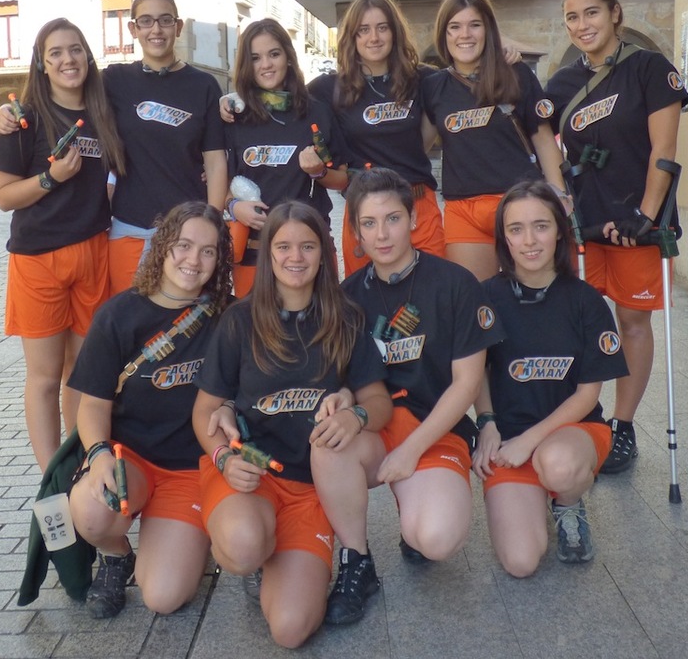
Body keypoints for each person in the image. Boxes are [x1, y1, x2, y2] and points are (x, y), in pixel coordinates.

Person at [192, 201, 390, 648]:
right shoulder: (240, 319)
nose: (295, 257)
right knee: (243, 547)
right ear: (268, 254)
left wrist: (355, 414)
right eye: (283, 247)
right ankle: (257, 550)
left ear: (324, 253)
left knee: (290, 630)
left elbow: (379, 403)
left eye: (307, 246)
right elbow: (205, 411)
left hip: (309, 489)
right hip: (252, 474)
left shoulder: (345, 317)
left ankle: (295, 553)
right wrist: (223, 459)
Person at [310, 168, 504, 625]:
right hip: (376, 425)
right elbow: (342, 375)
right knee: (328, 444)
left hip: (435, 427)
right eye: (369, 223)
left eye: (392, 219)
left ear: (414, 219)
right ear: (355, 231)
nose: (382, 234)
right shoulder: (346, 297)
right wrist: (341, 397)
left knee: (436, 539)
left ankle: (414, 512)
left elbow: (467, 383)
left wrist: (412, 451)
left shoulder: (455, 283)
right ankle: (357, 560)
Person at [544, 0, 688, 473]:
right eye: (572, 16)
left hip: (637, 223)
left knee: (632, 322)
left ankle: (623, 426)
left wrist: (644, 216)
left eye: (591, 12)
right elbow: (540, 142)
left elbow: (664, 151)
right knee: (576, 324)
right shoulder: (561, 84)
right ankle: (585, 415)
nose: (581, 24)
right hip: (582, 226)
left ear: (614, 13)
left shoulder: (650, 69)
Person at [0, 0, 228, 296]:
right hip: (130, 228)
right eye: (146, 21)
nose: (156, 29)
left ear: (178, 27)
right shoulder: (114, 81)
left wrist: (213, 226)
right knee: (127, 319)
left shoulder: (204, 85)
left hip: (187, 232)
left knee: (185, 319)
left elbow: (215, 162)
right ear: (133, 29)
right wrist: (7, 110)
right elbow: (66, 94)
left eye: (165, 20)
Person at [67, 201, 232, 619]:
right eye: (184, 245)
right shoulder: (118, 315)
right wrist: (98, 454)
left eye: (208, 251)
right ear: (162, 246)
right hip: (131, 460)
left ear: (219, 260)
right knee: (92, 509)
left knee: (163, 597)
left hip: (190, 470)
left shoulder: (229, 316)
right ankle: (116, 555)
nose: (193, 260)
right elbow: (93, 405)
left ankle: (191, 538)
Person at [0, 17, 126, 471]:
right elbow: (4, 197)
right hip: (38, 258)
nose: (68, 59)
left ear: (88, 55)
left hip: (93, 251)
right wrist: (51, 178)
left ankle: (79, 464)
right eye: (56, 53)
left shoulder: (104, 112)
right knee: (45, 377)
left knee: (81, 375)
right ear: (42, 64)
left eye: (75, 49)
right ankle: (51, 477)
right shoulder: (25, 118)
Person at [474, 181, 627, 576]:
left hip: (573, 431)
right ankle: (532, 493)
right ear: (504, 237)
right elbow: (476, 373)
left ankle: (567, 502)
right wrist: (487, 423)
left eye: (540, 226)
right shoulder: (484, 297)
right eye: (516, 229)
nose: (529, 241)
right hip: (508, 440)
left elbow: (587, 394)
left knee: (558, 465)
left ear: (559, 230)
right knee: (521, 562)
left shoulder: (586, 300)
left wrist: (530, 441)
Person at [423, 0, 567, 282]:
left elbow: (543, 139)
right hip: (464, 210)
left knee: (533, 297)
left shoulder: (516, 73)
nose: (465, 34)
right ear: (444, 34)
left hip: (521, 201)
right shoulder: (433, 86)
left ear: (488, 30)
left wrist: (560, 194)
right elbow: (418, 147)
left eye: (474, 25)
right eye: (455, 26)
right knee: (474, 300)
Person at [307, 0, 446, 275]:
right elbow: (281, 97)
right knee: (364, 296)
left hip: (418, 206)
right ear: (352, 37)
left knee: (433, 290)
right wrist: (235, 101)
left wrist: (505, 51)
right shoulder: (329, 88)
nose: (374, 38)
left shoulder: (423, 79)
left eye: (382, 28)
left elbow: (474, 80)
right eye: (364, 30)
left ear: (394, 32)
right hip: (364, 211)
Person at [223, 18, 351, 297]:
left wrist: (319, 172)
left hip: (308, 249)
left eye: (274, 54)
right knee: (255, 323)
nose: (266, 65)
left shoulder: (316, 112)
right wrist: (234, 207)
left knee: (319, 322)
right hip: (253, 252)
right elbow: (217, 181)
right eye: (255, 58)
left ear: (289, 57)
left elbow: (343, 179)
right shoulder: (233, 116)